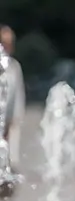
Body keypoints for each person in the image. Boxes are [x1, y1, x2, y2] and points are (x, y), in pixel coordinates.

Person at [0, 25, 25, 190]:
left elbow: (17, 98)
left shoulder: (13, 66)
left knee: (7, 183)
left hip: (9, 128)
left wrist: (12, 122)